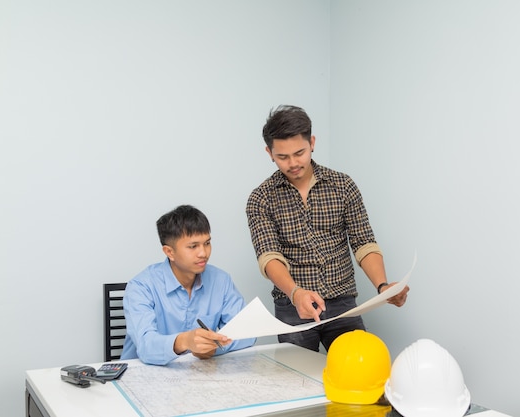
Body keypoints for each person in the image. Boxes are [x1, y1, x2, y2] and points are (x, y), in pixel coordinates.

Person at [246, 105, 409, 352]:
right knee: (297, 383)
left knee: (357, 374)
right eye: (282, 157)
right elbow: (269, 257)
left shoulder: (343, 186)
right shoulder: (260, 198)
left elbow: (364, 243)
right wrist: (296, 293)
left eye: (299, 153)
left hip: (344, 306)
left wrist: (383, 287)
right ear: (269, 152)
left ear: (312, 142)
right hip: (293, 307)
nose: (292, 163)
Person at [121, 204, 255, 365]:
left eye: (207, 243)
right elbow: (146, 346)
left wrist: (214, 347)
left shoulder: (221, 280)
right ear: (169, 252)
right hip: (142, 375)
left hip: (198, 374)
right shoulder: (141, 286)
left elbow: (247, 333)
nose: (203, 253)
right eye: (193, 246)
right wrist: (184, 341)